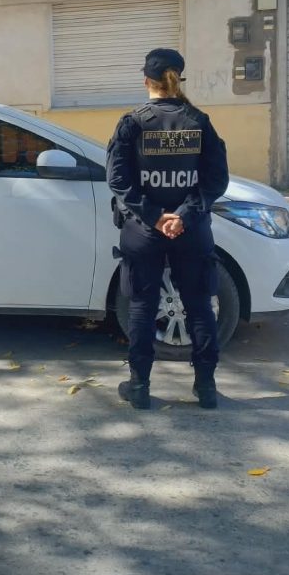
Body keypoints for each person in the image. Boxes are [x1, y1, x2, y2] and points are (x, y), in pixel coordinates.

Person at [106, 48, 230, 410]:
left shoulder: (133, 122)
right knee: (199, 306)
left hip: (143, 231)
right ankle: (206, 388)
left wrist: (155, 216)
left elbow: (118, 179)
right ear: (178, 78)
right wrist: (182, 216)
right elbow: (215, 179)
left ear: (146, 80)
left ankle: (140, 387)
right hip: (190, 231)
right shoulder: (200, 121)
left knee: (143, 306)